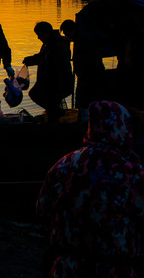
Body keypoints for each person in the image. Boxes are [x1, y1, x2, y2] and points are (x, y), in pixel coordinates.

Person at [36, 100, 144, 277]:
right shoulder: (130, 173)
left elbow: (42, 213)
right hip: (115, 270)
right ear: (123, 130)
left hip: (65, 269)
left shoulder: (61, 165)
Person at [23, 21, 73, 122]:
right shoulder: (50, 42)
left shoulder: (57, 43)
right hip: (51, 82)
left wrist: (32, 60)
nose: (38, 38)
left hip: (57, 82)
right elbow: (43, 57)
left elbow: (48, 59)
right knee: (36, 95)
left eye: (39, 35)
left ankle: (55, 116)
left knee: (39, 96)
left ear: (46, 33)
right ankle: (55, 113)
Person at [60, 19, 105, 109]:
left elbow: (88, 60)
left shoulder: (83, 41)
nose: (66, 36)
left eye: (66, 33)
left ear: (71, 30)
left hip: (89, 76)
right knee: (83, 101)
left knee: (83, 101)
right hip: (84, 76)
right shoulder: (80, 39)